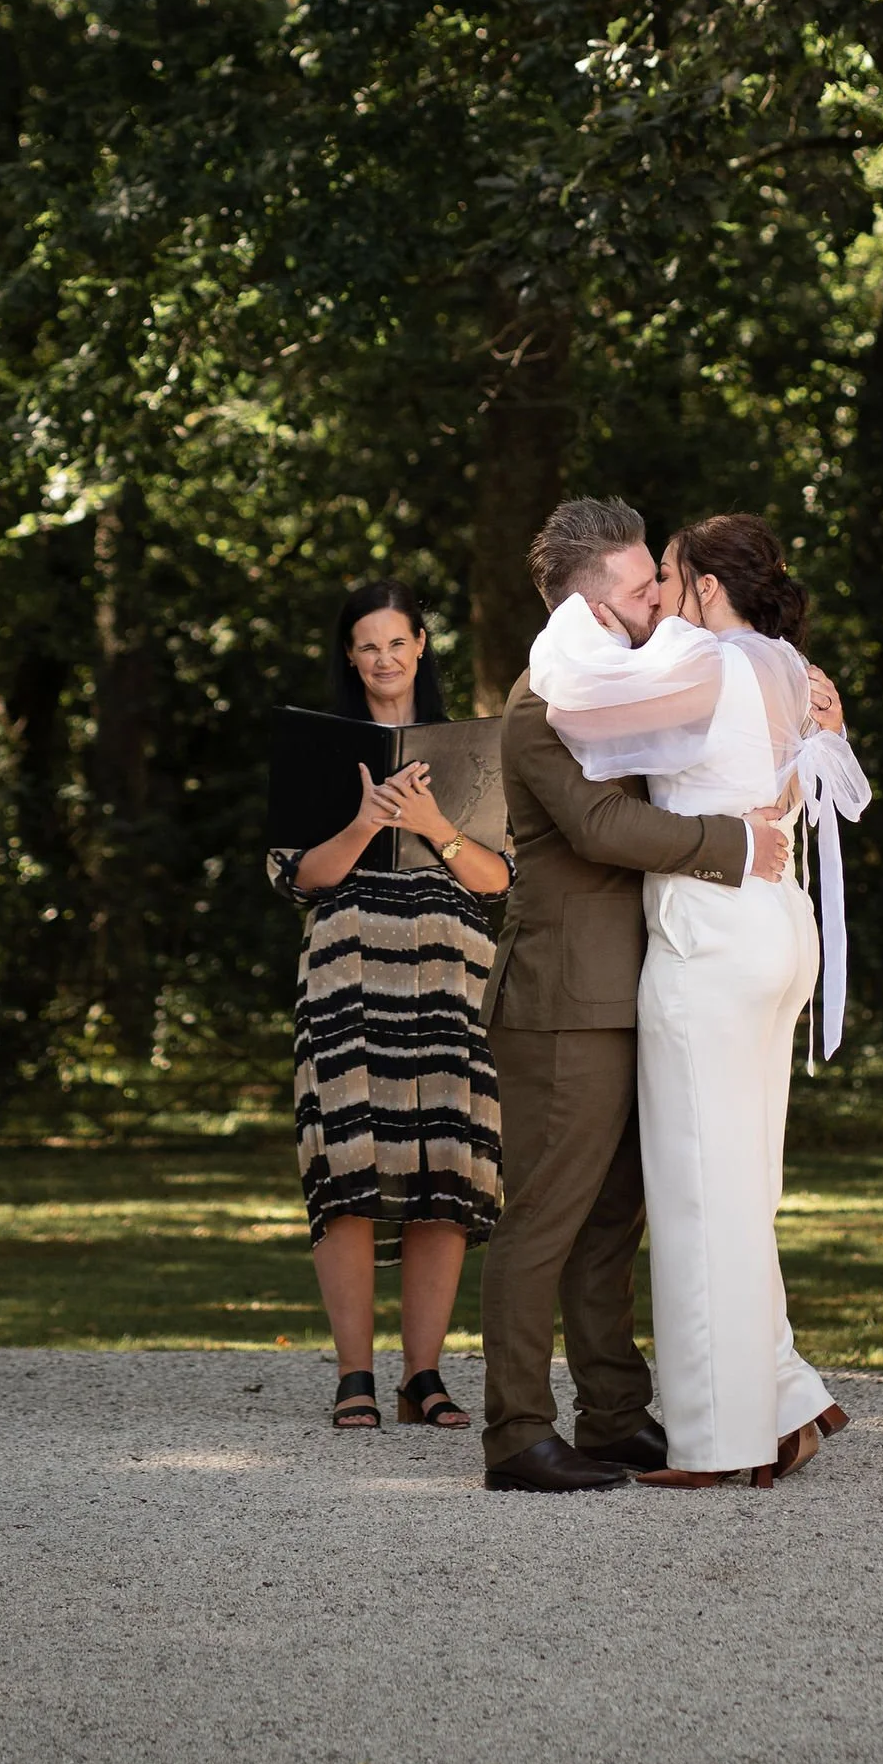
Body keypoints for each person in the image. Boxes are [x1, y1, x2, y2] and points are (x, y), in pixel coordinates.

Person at [478, 497, 791, 1494]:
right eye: (638, 585)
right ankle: (515, 1433)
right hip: (564, 999)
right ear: (584, 598)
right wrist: (731, 846)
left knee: (613, 1219)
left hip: (633, 988)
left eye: (658, 578)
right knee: (544, 1219)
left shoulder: (625, 684)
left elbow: (723, 722)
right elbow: (601, 829)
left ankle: (614, 1414)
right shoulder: (544, 702)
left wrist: (799, 701)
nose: (657, 594)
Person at [633, 515, 862, 1487]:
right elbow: (834, 786)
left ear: (704, 588)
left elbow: (595, 737)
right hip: (780, 926)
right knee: (743, 1185)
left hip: (709, 934)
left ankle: (715, 1442)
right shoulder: (785, 667)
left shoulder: (697, 664)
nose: (657, 599)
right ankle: (783, 1398)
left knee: (695, 1191)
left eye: (668, 579)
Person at [269, 581, 509, 1434]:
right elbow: (298, 876)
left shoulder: (477, 748)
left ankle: (424, 1376)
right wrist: (368, 821)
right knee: (349, 1166)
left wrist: (437, 823)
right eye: (367, 645)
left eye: (397, 642)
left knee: (448, 1163)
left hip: (452, 972)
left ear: (421, 645)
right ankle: (354, 1376)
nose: (384, 658)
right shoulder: (313, 749)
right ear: (350, 655)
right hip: (349, 967)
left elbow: (497, 878)